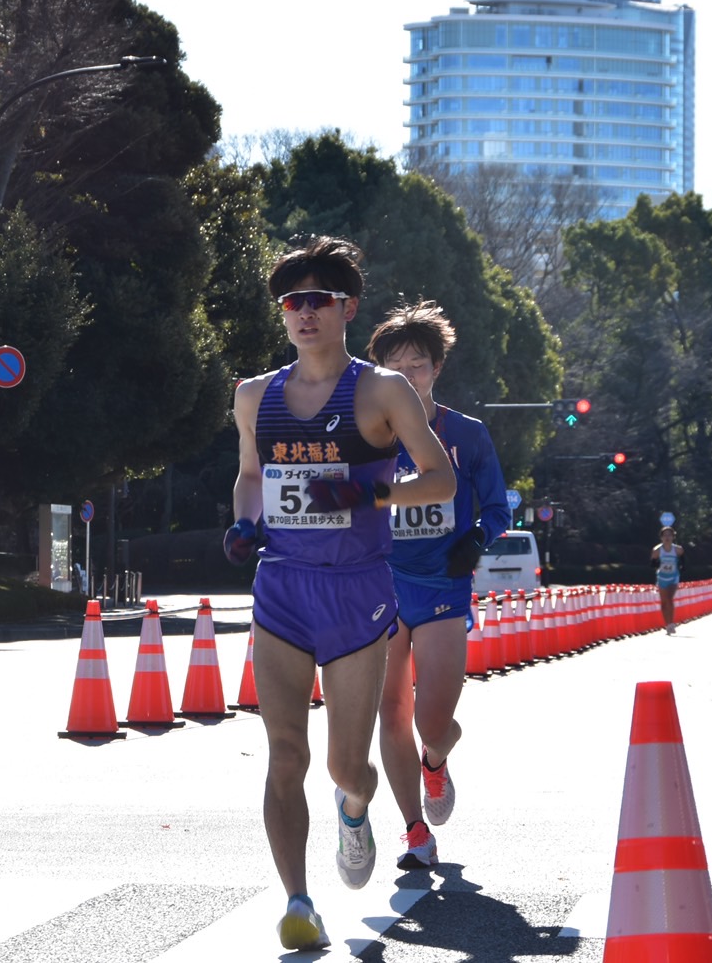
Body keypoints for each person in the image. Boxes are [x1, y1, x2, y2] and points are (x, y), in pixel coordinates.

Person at [226, 236, 456, 951]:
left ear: (347, 308)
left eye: (318, 300)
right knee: (284, 752)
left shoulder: (382, 390)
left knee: (342, 766)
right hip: (282, 590)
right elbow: (251, 476)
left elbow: (440, 479)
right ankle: (298, 901)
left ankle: (354, 807)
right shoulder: (254, 395)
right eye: (290, 302)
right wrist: (243, 523)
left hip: (358, 593)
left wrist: (367, 492)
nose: (303, 313)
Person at [365, 300, 509, 871]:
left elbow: (497, 508)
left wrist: (475, 539)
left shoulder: (467, 435)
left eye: (418, 365)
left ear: (437, 368)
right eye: (395, 367)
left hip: (442, 587)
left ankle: (436, 759)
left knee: (431, 723)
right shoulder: (364, 436)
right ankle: (414, 831)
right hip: (381, 583)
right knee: (391, 712)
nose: (407, 376)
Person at [649, 526, 685, 635]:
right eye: (665, 535)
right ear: (661, 537)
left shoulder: (678, 550)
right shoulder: (657, 550)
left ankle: (671, 623)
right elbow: (652, 564)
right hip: (662, 578)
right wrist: (658, 563)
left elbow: (684, 562)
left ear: (673, 537)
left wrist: (681, 566)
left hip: (674, 577)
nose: (667, 537)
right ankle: (667, 624)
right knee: (664, 602)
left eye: (669, 535)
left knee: (670, 598)